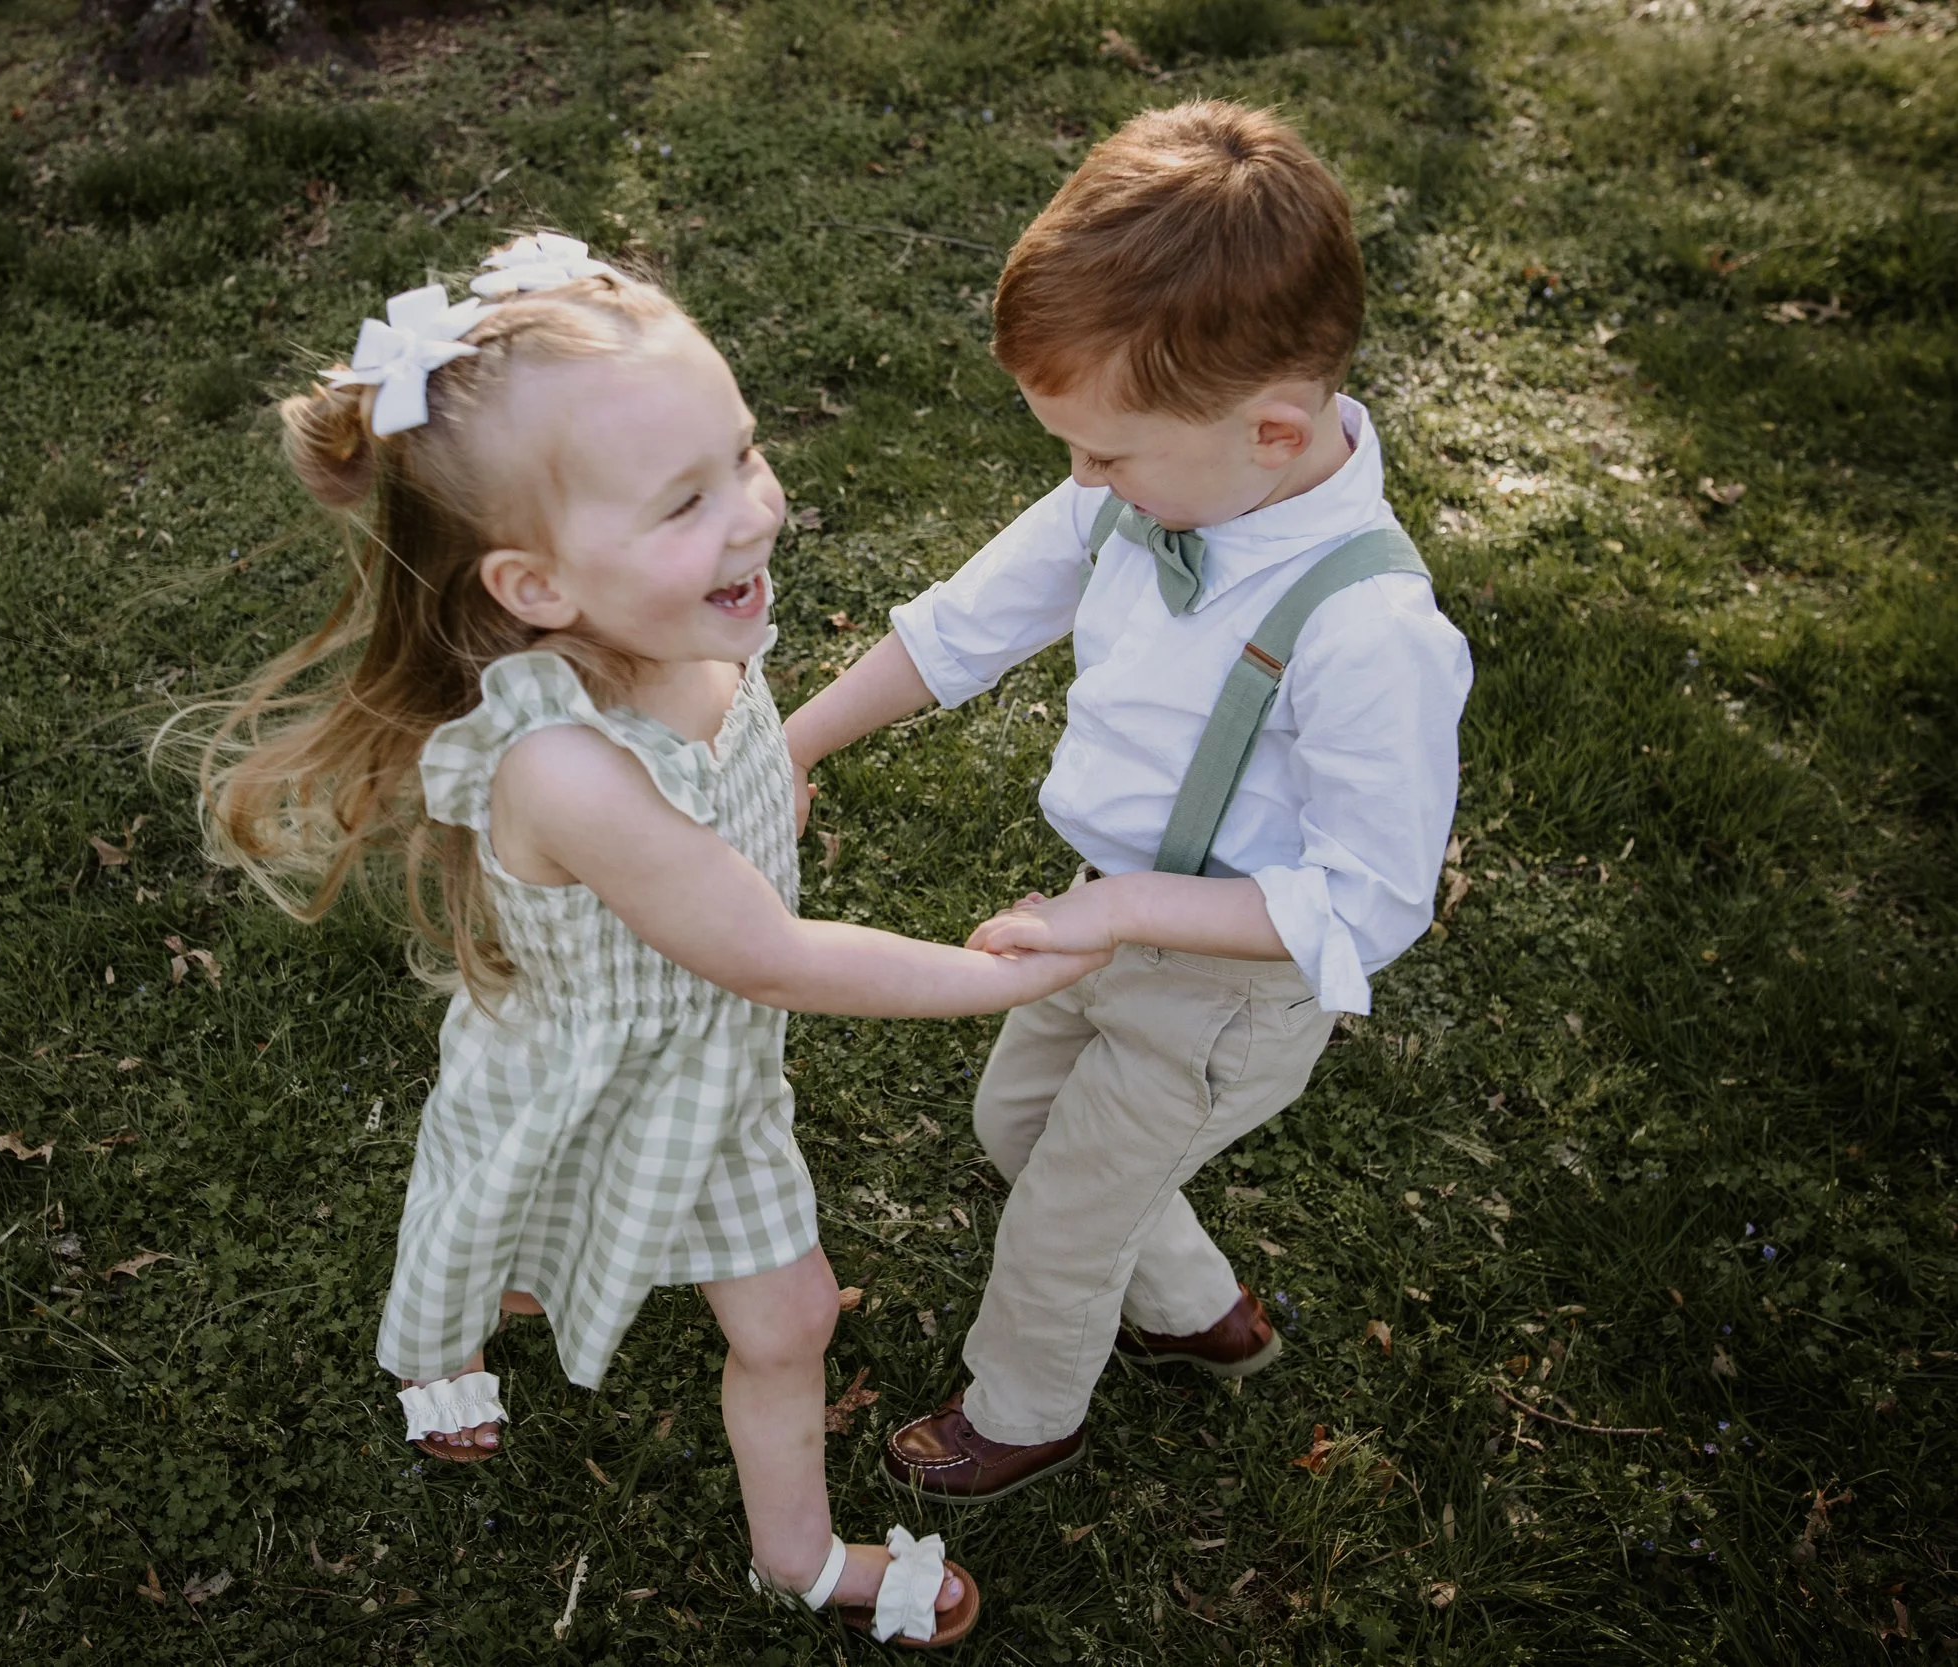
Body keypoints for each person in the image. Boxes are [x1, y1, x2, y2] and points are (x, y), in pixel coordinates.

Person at [190, 234, 1104, 1644]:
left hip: (704, 1067)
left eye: (740, 454)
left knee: (758, 1304)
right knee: (514, 1228)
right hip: (600, 1058)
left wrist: (769, 763)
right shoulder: (568, 771)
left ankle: (786, 1548)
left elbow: (732, 772)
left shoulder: (694, 617)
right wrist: (991, 979)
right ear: (537, 588)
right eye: (685, 498)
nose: (752, 513)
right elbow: (771, 954)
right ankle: (453, 1359)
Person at [784, 103, 1474, 1504]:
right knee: (1016, 1126)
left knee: (1060, 1211)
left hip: (1227, 983)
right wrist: (798, 740)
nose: (1081, 482)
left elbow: (1371, 898)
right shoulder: (1142, 491)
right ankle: (1196, 1305)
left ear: (1274, 430)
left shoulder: (1371, 630)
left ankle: (1025, 1408)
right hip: (1100, 916)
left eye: (1106, 455)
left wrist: (1129, 913)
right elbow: (965, 625)